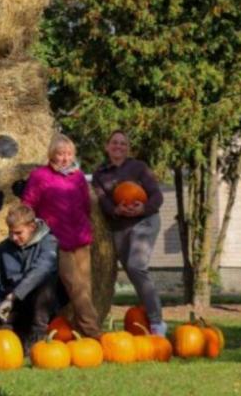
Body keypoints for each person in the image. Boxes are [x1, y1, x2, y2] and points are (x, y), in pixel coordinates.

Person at [22, 133, 102, 338]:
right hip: (57, 241)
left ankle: (79, 332)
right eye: (60, 154)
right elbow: (28, 205)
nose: (65, 158)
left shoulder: (78, 177)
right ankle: (95, 333)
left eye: (69, 154)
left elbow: (86, 204)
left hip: (82, 239)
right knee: (76, 289)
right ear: (52, 154)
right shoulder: (40, 176)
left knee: (85, 287)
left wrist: (87, 227)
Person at [93, 130, 166, 336]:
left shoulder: (139, 167)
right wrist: (116, 210)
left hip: (145, 221)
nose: (119, 146)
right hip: (120, 225)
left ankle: (157, 323)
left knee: (137, 266)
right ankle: (146, 319)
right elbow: (102, 201)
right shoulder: (99, 174)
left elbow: (157, 196)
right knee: (134, 273)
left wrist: (142, 209)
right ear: (107, 147)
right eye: (114, 143)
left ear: (128, 148)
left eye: (123, 144)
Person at [0, 203, 59, 351]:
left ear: (32, 227)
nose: (13, 237)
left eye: (19, 233)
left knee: (44, 284)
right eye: (11, 232)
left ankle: (36, 336)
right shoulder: (2, 249)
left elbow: (41, 269)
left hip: (39, 303)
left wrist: (14, 296)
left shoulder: (49, 242)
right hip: (12, 308)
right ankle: (18, 334)